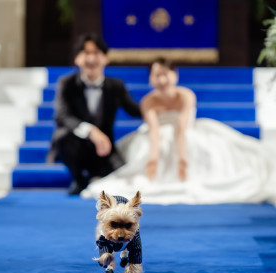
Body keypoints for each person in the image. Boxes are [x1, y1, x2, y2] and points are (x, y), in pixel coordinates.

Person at [82, 58, 276, 205]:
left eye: (165, 73)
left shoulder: (186, 96)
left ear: (175, 75)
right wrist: (153, 159)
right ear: (150, 79)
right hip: (156, 137)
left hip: (185, 133)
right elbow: (154, 130)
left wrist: (183, 160)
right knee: (148, 146)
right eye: (156, 75)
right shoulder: (148, 101)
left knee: (202, 146)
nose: (162, 79)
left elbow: (182, 129)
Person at [47, 33, 141, 194]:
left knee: (122, 178)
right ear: (77, 59)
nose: (91, 58)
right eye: (86, 53)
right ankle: (78, 178)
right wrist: (91, 131)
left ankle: (98, 174)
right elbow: (61, 116)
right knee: (62, 136)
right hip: (77, 147)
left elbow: (134, 110)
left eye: (96, 53)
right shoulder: (66, 84)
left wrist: (159, 105)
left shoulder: (115, 86)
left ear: (105, 58)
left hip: (104, 149)